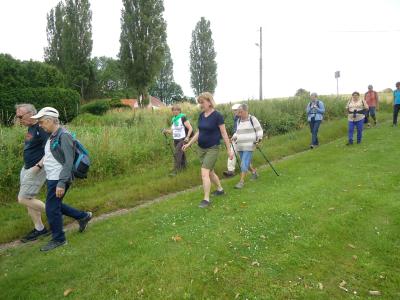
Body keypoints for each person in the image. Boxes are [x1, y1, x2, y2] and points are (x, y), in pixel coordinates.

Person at [31, 107, 92, 251]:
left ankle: (59, 239)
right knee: (54, 205)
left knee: (52, 209)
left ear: (50, 121)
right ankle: (83, 216)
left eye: (41, 122)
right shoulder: (53, 135)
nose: (39, 125)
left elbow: (69, 162)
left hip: (59, 178)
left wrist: (62, 182)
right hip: (53, 178)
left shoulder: (64, 136)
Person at [182, 92, 233, 208]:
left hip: (212, 148)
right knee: (210, 172)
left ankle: (206, 199)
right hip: (201, 149)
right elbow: (199, 132)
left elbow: (224, 134)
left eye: (202, 102)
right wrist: (189, 143)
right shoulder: (201, 115)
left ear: (209, 102)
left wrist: (229, 150)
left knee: (204, 172)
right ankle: (220, 189)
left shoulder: (217, 116)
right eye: (199, 103)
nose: (200, 105)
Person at [15, 104, 49, 243]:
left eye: (20, 116)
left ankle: (56, 212)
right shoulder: (30, 126)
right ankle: (40, 229)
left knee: (23, 198)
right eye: (17, 116)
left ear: (30, 113)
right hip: (27, 167)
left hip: (37, 168)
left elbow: (50, 150)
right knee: (29, 199)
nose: (18, 119)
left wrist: (38, 166)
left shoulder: (42, 128)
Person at [232, 104, 263, 189]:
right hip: (240, 145)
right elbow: (237, 132)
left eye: (240, 112)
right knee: (246, 162)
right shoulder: (238, 121)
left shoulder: (252, 119)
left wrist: (259, 139)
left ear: (246, 111)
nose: (239, 114)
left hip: (250, 144)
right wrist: (234, 136)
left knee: (243, 163)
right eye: (238, 112)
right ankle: (254, 173)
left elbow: (259, 130)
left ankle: (241, 182)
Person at [163, 105, 193, 174]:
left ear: (179, 111)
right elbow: (171, 131)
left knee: (177, 153)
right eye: (173, 110)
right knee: (181, 154)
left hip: (182, 139)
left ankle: (176, 170)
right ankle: (184, 167)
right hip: (175, 139)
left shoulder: (183, 118)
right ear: (172, 111)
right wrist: (165, 131)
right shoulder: (173, 120)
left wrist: (187, 137)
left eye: (177, 110)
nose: (175, 111)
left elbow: (190, 128)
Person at [223, 104, 241, 177]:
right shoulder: (236, 118)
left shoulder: (244, 118)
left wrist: (234, 136)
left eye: (236, 110)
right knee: (231, 153)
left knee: (243, 155)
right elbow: (236, 129)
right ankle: (230, 171)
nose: (234, 112)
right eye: (234, 111)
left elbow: (240, 129)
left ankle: (249, 169)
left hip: (242, 139)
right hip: (235, 139)